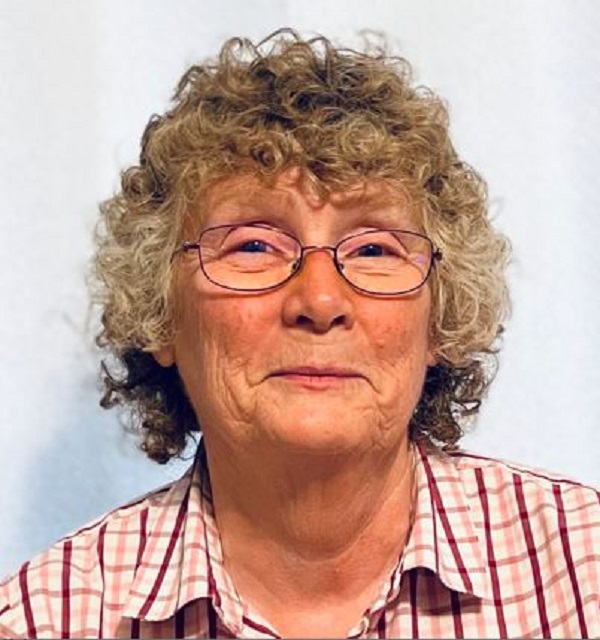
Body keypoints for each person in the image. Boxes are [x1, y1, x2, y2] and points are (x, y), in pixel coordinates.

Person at [1, 28, 598, 639]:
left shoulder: (584, 568)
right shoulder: (43, 621)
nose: (319, 300)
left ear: (441, 318)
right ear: (160, 314)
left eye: (374, 249)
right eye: (253, 246)